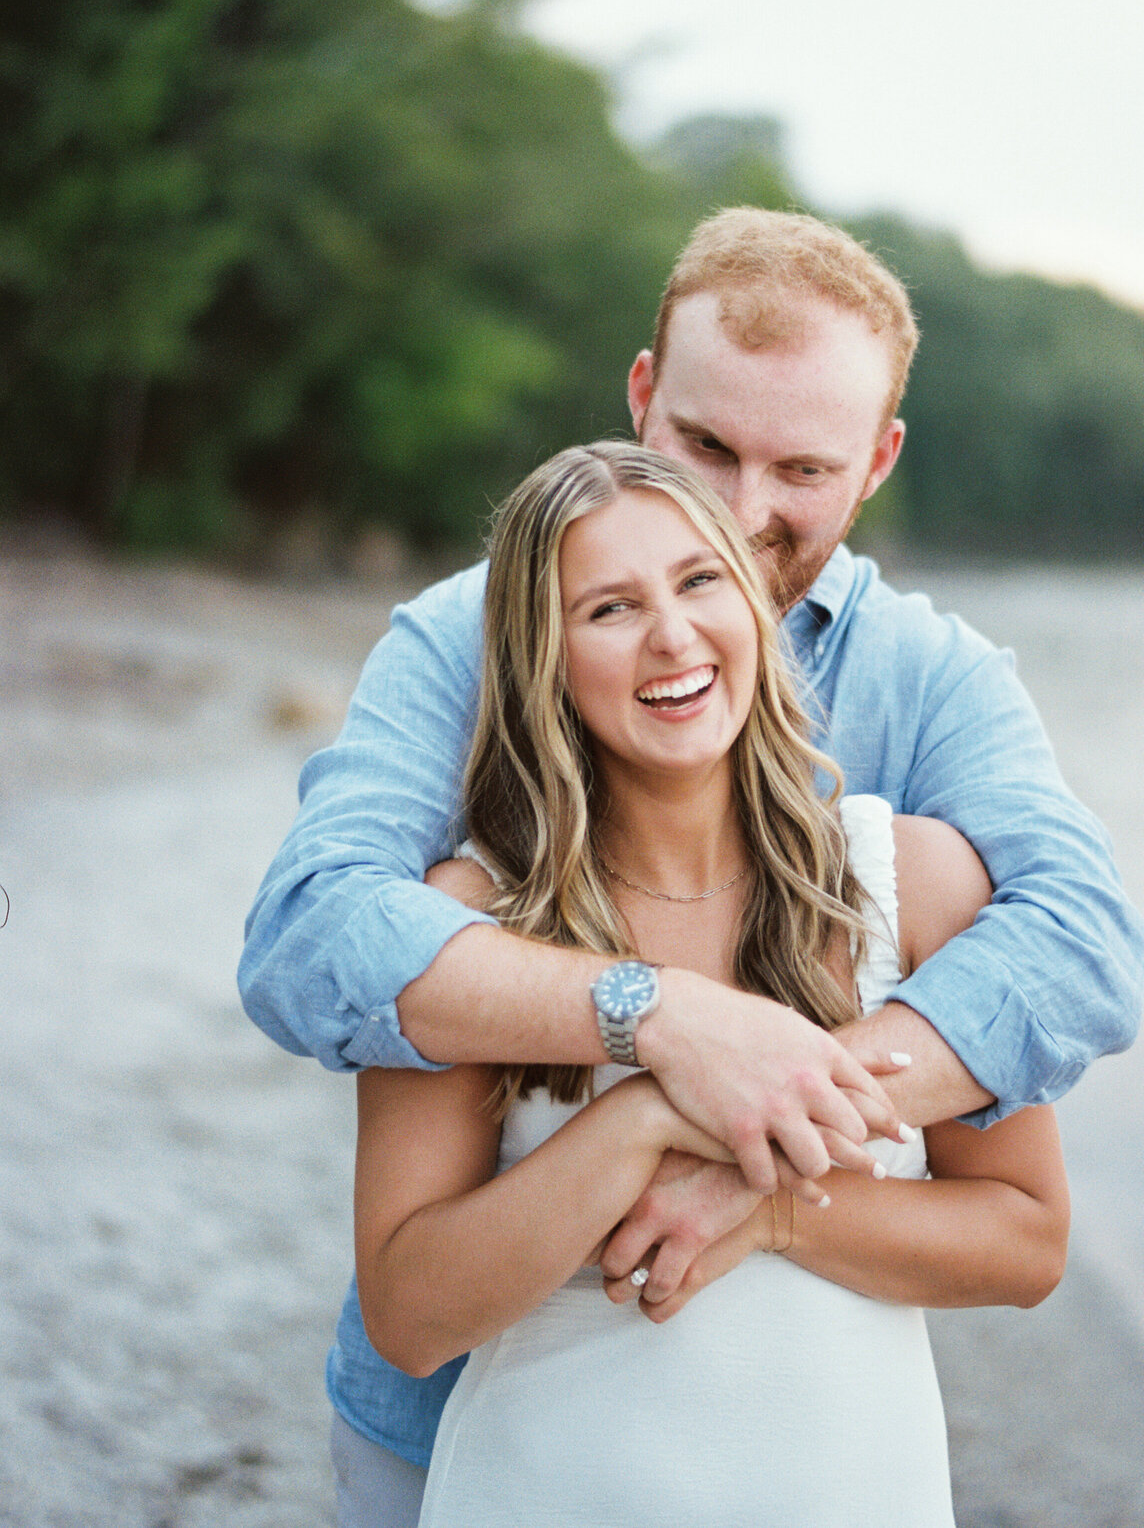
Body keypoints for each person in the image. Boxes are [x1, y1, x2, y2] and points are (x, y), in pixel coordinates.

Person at [240, 209, 1144, 1520]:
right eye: (705, 444)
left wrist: (766, 1129)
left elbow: (1080, 949)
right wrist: (664, 1022)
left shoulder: (933, 686)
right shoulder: (465, 637)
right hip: (453, 1434)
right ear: (642, 394)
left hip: (803, 1446)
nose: (738, 509)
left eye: (802, 469)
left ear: (878, 460)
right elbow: (312, 938)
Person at [353, 443, 1071, 1528]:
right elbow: (408, 1316)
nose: (673, 636)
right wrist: (646, 1111)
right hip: (544, 1492)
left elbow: (1027, 1241)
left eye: (699, 582)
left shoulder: (910, 880)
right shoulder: (469, 924)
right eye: (609, 608)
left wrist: (778, 1209)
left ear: (755, 606)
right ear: (542, 659)